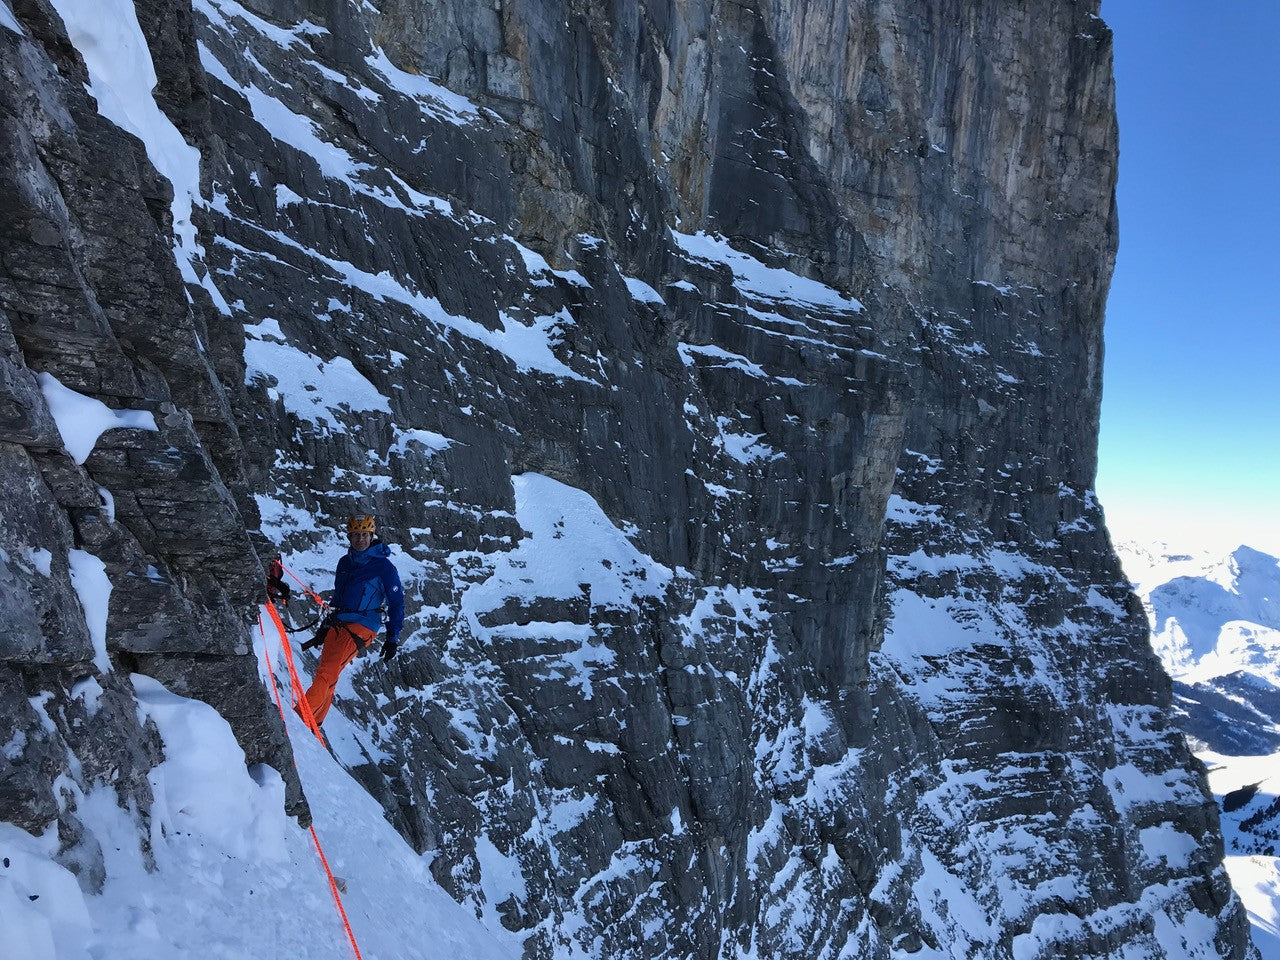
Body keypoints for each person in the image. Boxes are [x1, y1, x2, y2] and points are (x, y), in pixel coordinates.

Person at [301, 514, 404, 725]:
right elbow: (339, 596)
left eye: (365, 534)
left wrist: (392, 637)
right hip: (339, 621)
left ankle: (299, 717)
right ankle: (314, 721)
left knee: (327, 672)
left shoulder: (384, 567)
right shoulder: (344, 562)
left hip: (363, 624)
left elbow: (397, 602)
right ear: (349, 537)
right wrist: (326, 625)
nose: (360, 539)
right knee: (328, 673)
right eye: (356, 535)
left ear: (372, 535)